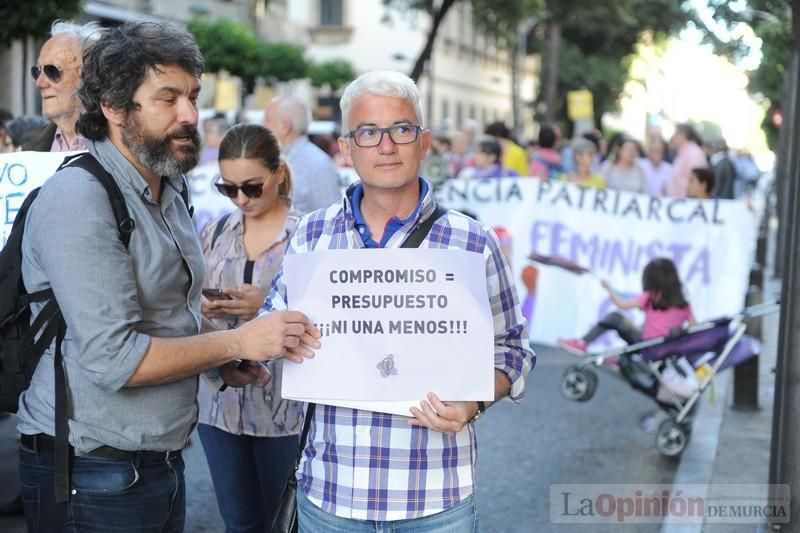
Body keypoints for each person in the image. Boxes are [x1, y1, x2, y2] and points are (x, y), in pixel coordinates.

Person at [16, 21, 319, 533]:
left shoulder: (168, 188)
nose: (190, 116)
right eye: (168, 98)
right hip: (91, 472)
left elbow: (163, 320)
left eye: (193, 97)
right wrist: (233, 342)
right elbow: (116, 358)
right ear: (113, 108)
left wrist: (220, 359)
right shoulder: (79, 199)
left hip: (154, 462)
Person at [263, 70, 535, 531]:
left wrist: (471, 404)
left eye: (401, 130)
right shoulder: (312, 235)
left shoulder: (473, 242)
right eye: (369, 132)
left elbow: (513, 351)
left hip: (436, 498)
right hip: (332, 494)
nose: (386, 146)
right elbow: (272, 327)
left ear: (424, 142)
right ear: (347, 149)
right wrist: (257, 340)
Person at [196, 123, 304, 532]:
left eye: (252, 187)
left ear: (278, 173)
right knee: (239, 523)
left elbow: (335, 318)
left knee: (289, 523)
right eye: (229, 189)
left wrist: (265, 303)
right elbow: (182, 306)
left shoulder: (310, 233)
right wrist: (203, 304)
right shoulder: (214, 232)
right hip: (219, 407)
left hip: (287, 410)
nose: (241, 198)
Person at [557, 257, 695, 356]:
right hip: (665, 349)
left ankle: (583, 343)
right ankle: (621, 359)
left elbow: (621, 305)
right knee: (638, 323)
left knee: (615, 317)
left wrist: (609, 288)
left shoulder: (651, 297)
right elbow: (694, 328)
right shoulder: (684, 305)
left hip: (646, 346)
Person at [21, 20, 103, 152]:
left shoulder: (121, 144)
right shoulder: (29, 144)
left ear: (88, 74)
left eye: (52, 71)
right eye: (37, 72)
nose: (39, 83)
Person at [264, 95, 341, 214]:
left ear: (285, 127)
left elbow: (333, 219)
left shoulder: (318, 165)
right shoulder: (278, 158)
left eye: (266, 120)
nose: (262, 125)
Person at [665, 123, 708, 198]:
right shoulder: (684, 152)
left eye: (675, 135)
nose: (673, 138)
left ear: (683, 136)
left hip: (686, 204)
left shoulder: (694, 153)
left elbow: (696, 183)